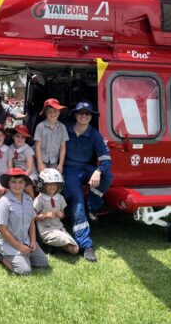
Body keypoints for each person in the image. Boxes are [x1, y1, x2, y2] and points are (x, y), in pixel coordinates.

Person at [63, 100, 113, 263]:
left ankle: (92, 205)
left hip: (86, 168)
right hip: (69, 170)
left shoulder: (94, 134)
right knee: (77, 201)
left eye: (87, 114)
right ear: (75, 115)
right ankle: (86, 245)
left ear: (91, 117)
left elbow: (106, 159)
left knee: (108, 176)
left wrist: (98, 171)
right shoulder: (66, 129)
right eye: (80, 113)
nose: (83, 116)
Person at [0, 168, 49, 275]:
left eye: (20, 182)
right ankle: (0, 255)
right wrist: (20, 247)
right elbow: (2, 229)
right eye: (13, 182)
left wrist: (33, 240)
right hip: (10, 243)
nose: (17, 185)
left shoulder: (28, 199)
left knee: (43, 263)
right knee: (25, 271)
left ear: (25, 184)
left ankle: (23, 256)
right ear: (8, 184)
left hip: (26, 240)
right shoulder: (4, 202)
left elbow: (31, 221)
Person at [34, 168, 79, 255]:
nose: (52, 187)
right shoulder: (39, 199)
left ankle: (54, 245)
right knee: (73, 248)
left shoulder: (60, 198)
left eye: (55, 184)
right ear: (42, 185)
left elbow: (63, 215)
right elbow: (32, 218)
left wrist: (60, 214)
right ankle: (46, 241)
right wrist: (45, 215)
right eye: (49, 184)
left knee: (75, 250)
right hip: (46, 230)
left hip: (59, 229)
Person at [34, 98, 68, 174]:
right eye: (50, 111)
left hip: (54, 160)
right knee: (42, 178)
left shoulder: (62, 127)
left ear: (59, 112)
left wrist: (61, 164)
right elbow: (37, 145)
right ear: (45, 113)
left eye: (55, 111)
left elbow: (63, 147)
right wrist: (39, 163)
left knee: (54, 179)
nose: (52, 114)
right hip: (42, 159)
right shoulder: (40, 126)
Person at [6, 124, 37, 197]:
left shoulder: (27, 149)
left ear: (25, 138)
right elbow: (10, 166)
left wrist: (23, 177)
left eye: (23, 137)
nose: (20, 139)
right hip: (17, 173)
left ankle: (31, 203)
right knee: (13, 184)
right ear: (13, 137)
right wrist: (11, 175)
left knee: (26, 185)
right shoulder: (10, 148)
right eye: (17, 136)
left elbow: (29, 168)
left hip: (29, 174)